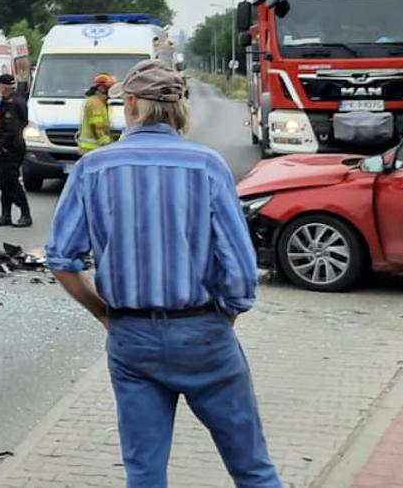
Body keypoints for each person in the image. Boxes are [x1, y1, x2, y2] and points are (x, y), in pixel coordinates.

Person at [46, 60, 281, 488]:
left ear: (131, 103)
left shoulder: (93, 168)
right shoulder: (207, 166)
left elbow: (63, 260)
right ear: (179, 108)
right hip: (203, 332)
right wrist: (225, 315)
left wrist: (103, 313)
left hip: (131, 337)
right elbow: (241, 268)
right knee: (252, 468)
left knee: (144, 473)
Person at [0, 72, 33, 227]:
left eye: (0, 85)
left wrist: (4, 144)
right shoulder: (7, 100)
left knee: (10, 181)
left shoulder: (14, 102)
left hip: (12, 147)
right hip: (8, 146)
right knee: (4, 182)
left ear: (5, 87)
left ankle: (25, 213)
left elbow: (14, 127)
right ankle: (6, 214)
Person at [76, 72, 118, 153]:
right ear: (101, 88)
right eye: (109, 88)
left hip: (92, 148)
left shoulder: (100, 101)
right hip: (92, 148)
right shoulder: (96, 103)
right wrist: (108, 145)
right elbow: (99, 127)